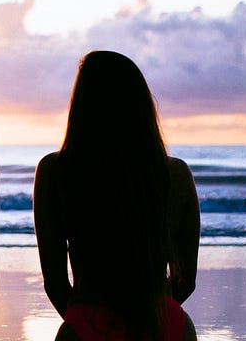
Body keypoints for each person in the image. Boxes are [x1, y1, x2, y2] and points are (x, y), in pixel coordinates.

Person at [34, 50, 201, 341]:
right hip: (164, 321)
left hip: (86, 322)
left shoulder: (55, 171)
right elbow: (185, 279)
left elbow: (55, 282)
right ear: (141, 105)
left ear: (81, 105)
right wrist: (147, 315)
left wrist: (86, 323)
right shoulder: (174, 174)